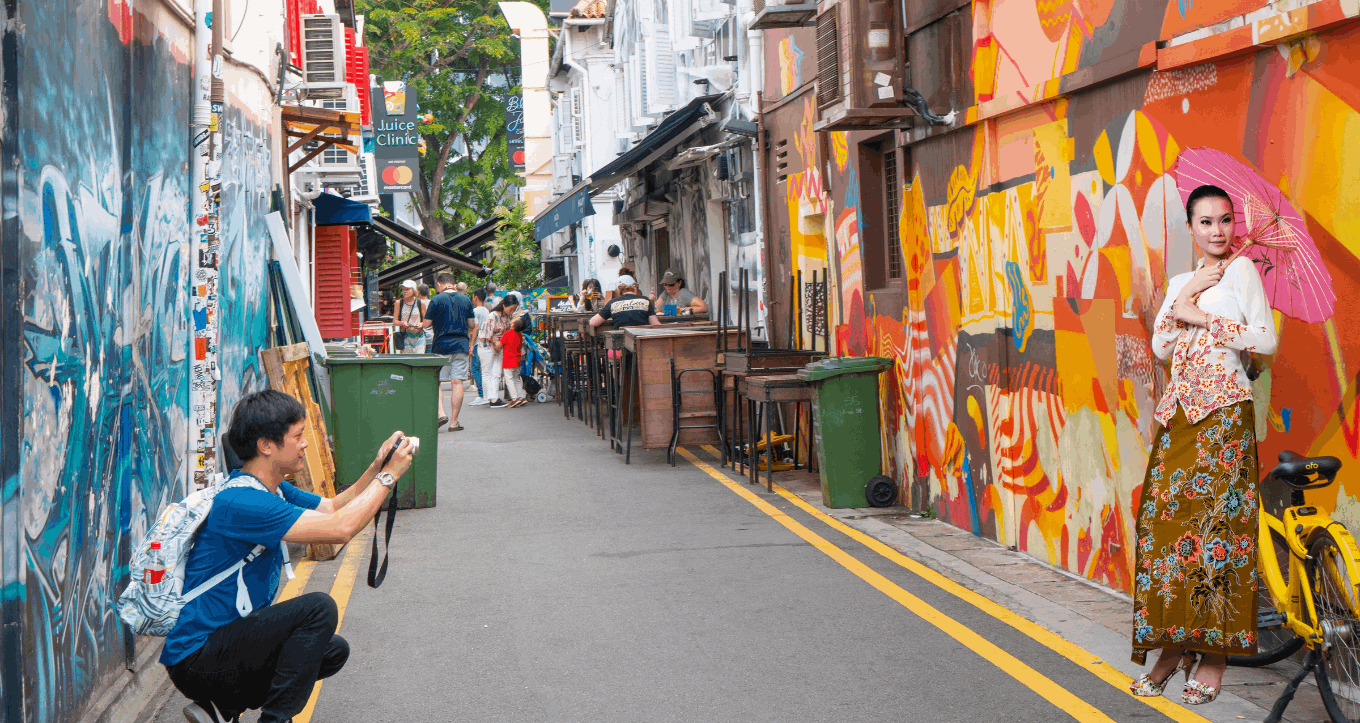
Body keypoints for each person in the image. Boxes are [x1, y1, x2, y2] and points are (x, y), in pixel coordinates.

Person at [164, 390, 416, 723]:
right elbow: (339, 529)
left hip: (224, 644)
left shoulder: (272, 488)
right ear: (266, 445)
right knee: (317, 609)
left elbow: (331, 507)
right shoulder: (244, 503)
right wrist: (389, 477)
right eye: (297, 436)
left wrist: (376, 467)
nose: (305, 444)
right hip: (197, 657)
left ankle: (222, 707)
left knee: (330, 650)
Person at [1128, 184, 1277, 705]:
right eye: (1206, 222)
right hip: (1179, 420)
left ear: (1234, 225)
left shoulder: (1243, 273)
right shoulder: (1181, 279)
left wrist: (1206, 317)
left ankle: (1213, 657)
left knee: (1218, 533)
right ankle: (1173, 649)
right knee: (1166, 531)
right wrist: (1188, 293)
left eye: (1225, 220)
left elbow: (1266, 341)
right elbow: (1161, 346)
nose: (1218, 231)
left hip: (1224, 420)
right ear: (1190, 228)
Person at [421, 273, 476, 431]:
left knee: (437, 381)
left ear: (439, 284)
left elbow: (426, 324)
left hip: (441, 346)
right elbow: (472, 325)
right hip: (461, 345)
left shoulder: (436, 300)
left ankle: (441, 413)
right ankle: (453, 422)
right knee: (457, 382)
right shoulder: (465, 299)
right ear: (454, 284)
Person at [476, 294, 517, 409]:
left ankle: (494, 398)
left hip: (499, 347)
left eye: (514, 309)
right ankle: (492, 398)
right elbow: (485, 333)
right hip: (487, 346)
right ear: (504, 306)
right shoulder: (492, 316)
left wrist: (501, 343)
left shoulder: (507, 317)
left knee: (497, 373)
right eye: (511, 309)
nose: (512, 311)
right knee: (487, 372)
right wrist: (496, 342)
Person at [590, 275, 659, 331]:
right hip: (642, 344)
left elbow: (593, 322)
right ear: (634, 287)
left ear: (618, 289)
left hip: (620, 345)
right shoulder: (645, 300)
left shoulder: (613, 303)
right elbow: (655, 324)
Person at [499, 316, 528, 407]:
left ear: (512, 324)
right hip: (517, 360)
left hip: (508, 360)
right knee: (517, 379)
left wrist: (494, 343)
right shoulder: (520, 334)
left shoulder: (507, 333)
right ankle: (522, 396)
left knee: (509, 380)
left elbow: (500, 345)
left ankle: (515, 399)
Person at [468, 289, 491, 406]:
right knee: (483, 370)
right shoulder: (487, 311)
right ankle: (485, 394)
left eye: (473, 297)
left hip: (478, 342)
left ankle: (482, 395)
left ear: (476, 297)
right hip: (486, 343)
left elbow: (475, 328)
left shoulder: (475, 311)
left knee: (474, 368)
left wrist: (471, 345)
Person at [395, 280, 427, 354]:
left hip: (419, 337)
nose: (404, 291)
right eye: (403, 289)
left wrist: (421, 324)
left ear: (413, 290)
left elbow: (426, 320)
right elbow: (394, 321)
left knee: (419, 362)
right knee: (407, 362)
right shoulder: (399, 303)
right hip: (405, 337)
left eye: (407, 289)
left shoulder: (420, 303)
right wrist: (402, 323)